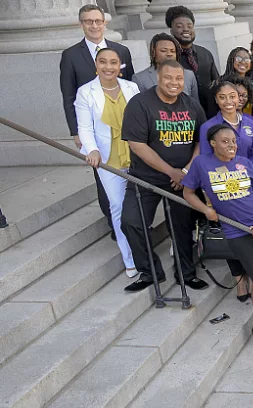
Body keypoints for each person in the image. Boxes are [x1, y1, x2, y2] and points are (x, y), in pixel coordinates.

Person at [183, 123, 253, 348]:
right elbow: (188, 192)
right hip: (238, 232)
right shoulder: (201, 164)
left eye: (234, 141)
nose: (231, 145)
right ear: (213, 144)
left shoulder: (244, 163)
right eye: (225, 141)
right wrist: (206, 210)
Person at [120, 60, 208, 292]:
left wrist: (187, 172)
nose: (174, 83)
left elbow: (201, 143)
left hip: (181, 181)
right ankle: (149, 272)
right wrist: (171, 171)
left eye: (179, 79)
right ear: (158, 77)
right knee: (132, 222)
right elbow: (137, 144)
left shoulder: (192, 106)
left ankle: (185, 273)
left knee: (181, 227)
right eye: (168, 77)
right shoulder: (140, 104)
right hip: (145, 177)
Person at [61, 4, 135, 239]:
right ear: (81, 24)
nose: (94, 25)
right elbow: (69, 95)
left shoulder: (121, 50)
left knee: (132, 176)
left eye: (97, 21)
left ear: (104, 23)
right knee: (104, 176)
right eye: (88, 21)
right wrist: (76, 132)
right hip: (95, 130)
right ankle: (115, 224)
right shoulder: (71, 55)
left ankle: (133, 220)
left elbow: (130, 85)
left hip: (125, 128)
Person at [76, 48, 141, 279]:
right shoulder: (85, 92)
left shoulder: (131, 88)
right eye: (103, 62)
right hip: (107, 159)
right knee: (118, 207)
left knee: (138, 206)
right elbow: (84, 127)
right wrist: (91, 149)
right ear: (96, 65)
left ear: (120, 65)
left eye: (113, 62)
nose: (108, 67)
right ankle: (130, 259)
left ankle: (141, 248)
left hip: (135, 157)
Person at [167, 6, 219, 114]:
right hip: (183, 114)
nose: (186, 29)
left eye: (189, 26)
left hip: (210, 112)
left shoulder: (205, 54)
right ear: (171, 31)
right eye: (180, 26)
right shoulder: (170, 59)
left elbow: (216, 82)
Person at [200, 81, 253, 168]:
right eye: (222, 97)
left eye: (232, 96)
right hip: (221, 178)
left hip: (247, 178)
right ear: (216, 100)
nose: (228, 101)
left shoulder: (249, 123)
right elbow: (206, 160)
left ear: (238, 98)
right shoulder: (207, 127)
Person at [133, 33, 198, 99]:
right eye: (164, 51)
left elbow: (195, 105)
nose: (169, 54)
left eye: (172, 51)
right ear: (153, 52)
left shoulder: (189, 75)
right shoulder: (140, 79)